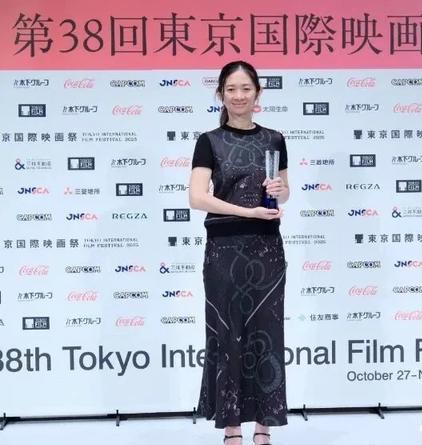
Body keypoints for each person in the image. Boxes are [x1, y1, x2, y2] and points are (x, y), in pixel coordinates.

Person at [189, 60, 290, 445]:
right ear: (220, 94)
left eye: (246, 88)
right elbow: (198, 197)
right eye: (231, 89)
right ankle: (231, 427)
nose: (239, 96)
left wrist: (280, 192)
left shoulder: (275, 139)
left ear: (257, 93)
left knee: (267, 333)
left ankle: (264, 424)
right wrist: (246, 211)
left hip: (266, 249)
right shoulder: (209, 141)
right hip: (224, 251)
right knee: (227, 335)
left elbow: (284, 190)